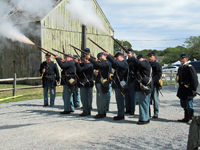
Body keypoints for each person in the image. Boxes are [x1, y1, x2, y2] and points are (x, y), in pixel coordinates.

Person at [127, 53, 152, 125]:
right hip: (142, 87)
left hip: (144, 86)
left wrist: (132, 58)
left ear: (143, 58)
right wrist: (130, 58)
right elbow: (132, 65)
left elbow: (140, 63)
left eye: (139, 59)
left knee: (143, 103)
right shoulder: (139, 65)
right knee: (144, 103)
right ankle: (146, 118)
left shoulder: (145, 63)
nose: (138, 60)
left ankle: (143, 119)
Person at [103, 52, 128, 120]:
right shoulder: (120, 64)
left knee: (120, 100)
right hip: (118, 84)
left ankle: (121, 115)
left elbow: (115, 63)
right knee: (119, 100)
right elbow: (114, 64)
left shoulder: (124, 63)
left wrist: (108, 56)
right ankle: (120, 114)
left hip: (121, 84)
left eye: (118, 57)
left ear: (122, 57)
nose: (116, 58)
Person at [86, 52, 110, 118]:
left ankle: (101, 113)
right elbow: (96, 65)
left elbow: (99, 65)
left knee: (100, 99)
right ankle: (102, 112)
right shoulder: (103, 63)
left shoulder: (106, 62)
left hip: (101, 82)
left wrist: (90, 58)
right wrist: (93, 60)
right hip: (99, 82)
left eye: (100, 57)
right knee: (100, 98)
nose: (100, 58)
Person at [177, 53, 198, 123]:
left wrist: (194, 88)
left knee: (189, 104)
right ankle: (186, 117)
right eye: (181, 58)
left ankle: (191, 118)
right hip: (182, 88)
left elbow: (194, 79)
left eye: (182, 58)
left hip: (188, 88)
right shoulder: (180, 68)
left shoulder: (189, 67)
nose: (181, 60)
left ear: (186, 59)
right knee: (184, 104)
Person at [147, 52, 162, 118]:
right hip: (148, 84)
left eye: (151, 56)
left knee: (155, 99)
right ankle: (148, 113)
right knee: (147, 99)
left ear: (154, 57)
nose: (149, 57)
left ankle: (156, 113)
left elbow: (158, 74)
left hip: (154, 84)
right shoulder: (147, 64)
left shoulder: (157, 64)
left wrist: (152, 81)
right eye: (149, 56)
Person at [124, 48, 136, 115]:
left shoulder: (134, 61)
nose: (128, 54)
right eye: (127, 53)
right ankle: (127, 109)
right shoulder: (126, 61)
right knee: (127, 95)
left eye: (129, 53)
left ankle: (132, 110)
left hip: (132, 80)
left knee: (132, 96)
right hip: (126, 79)